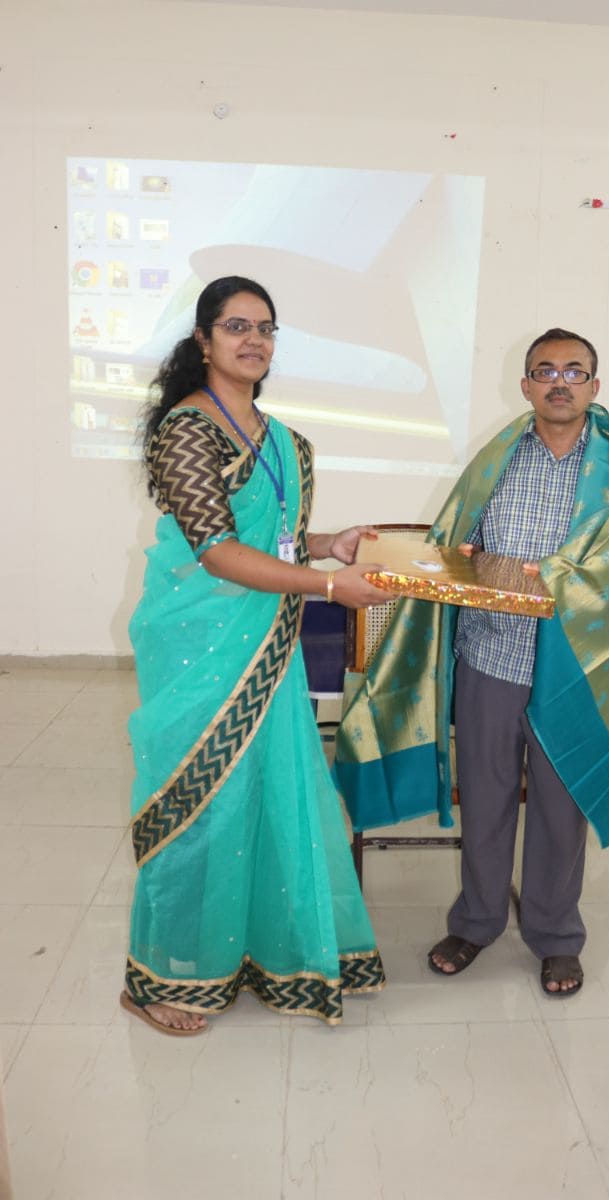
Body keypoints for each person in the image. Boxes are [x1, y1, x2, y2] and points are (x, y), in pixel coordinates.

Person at [334, 328, 609, 998]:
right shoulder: (495, 460)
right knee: (486, 797)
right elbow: (454, 543)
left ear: (594, 386)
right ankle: (476, 922)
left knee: (561, 807)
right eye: (545, 371)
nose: (560, 382)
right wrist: (450, 562)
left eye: (574, 371)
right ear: (525, 385)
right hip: (490, 657)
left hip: (574, 671)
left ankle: (556, 936)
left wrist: (553, 578)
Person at [120, 275, 391, 1035]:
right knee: (198, 803)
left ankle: (251, 953)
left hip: (265, 645)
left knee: (262, 794)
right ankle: (159, 977)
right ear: (203, 339)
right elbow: (216, 551)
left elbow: (272, 542)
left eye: (265, 328)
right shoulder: (188, 429)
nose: (254, 340)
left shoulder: (283, 442)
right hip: (198, 644)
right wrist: (330, 586)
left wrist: (327, 545)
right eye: (236, 326)